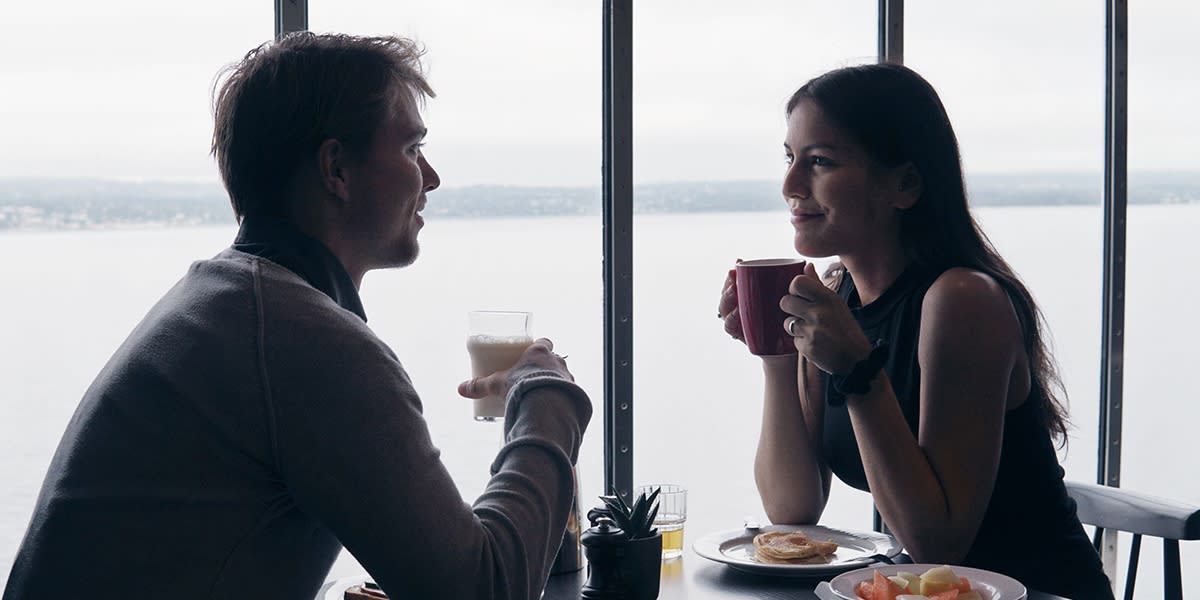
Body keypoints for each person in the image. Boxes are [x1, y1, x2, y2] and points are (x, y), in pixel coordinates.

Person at [4, 33, 591, 600]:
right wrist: (545, 397)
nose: (431, 177)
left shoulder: (224, 303)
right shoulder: (303, 343)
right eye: (413, 148)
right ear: (336, 168)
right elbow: (483, 588)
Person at [716, 63, 1113, 599]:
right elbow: (793, 507)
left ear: (904, 184)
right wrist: (778, 352)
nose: (789, 185)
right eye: (790, 159)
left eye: (820, 162)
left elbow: (938, 541)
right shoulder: (835, 298)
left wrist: (859, 371)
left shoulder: (961, 300)